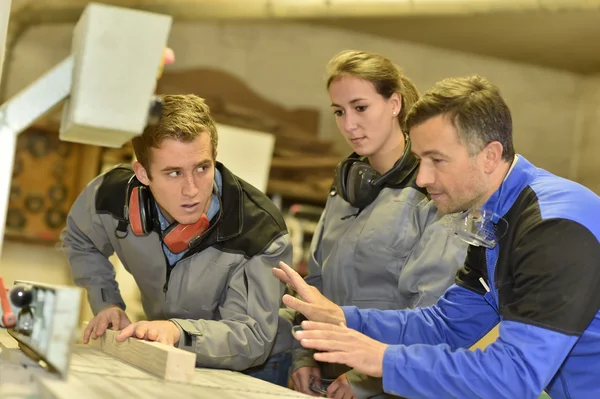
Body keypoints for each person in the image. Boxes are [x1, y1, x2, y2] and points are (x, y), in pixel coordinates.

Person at [273, 75, 600, 399]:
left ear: (489, 155)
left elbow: (513, 376)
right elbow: (446, 326)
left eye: (437, 160)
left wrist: (384, 360)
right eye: (420, 160)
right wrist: (344, 318)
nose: (422, 178)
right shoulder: (494, 217)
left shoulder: (554, 229)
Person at [61, 94, 294, 387]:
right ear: (143, 173)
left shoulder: (259, 230)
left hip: (257, 370)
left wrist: (177, 332)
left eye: (202, 168)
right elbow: (80, 238)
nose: (192, 190)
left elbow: (251, 337)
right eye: (173, 173)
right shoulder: (111, 196)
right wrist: (106, 302)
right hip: (170, 353)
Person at [285, 50, 467, 398]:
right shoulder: (345, 189)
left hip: (387, 384)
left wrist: (362, 379)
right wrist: (304, 357)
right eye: (339, 112)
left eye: (361, 107)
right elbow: (317, 284)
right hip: (325, 378)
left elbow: (431, 315)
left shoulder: (432, 195)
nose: (349, 124)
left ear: (395, 103)